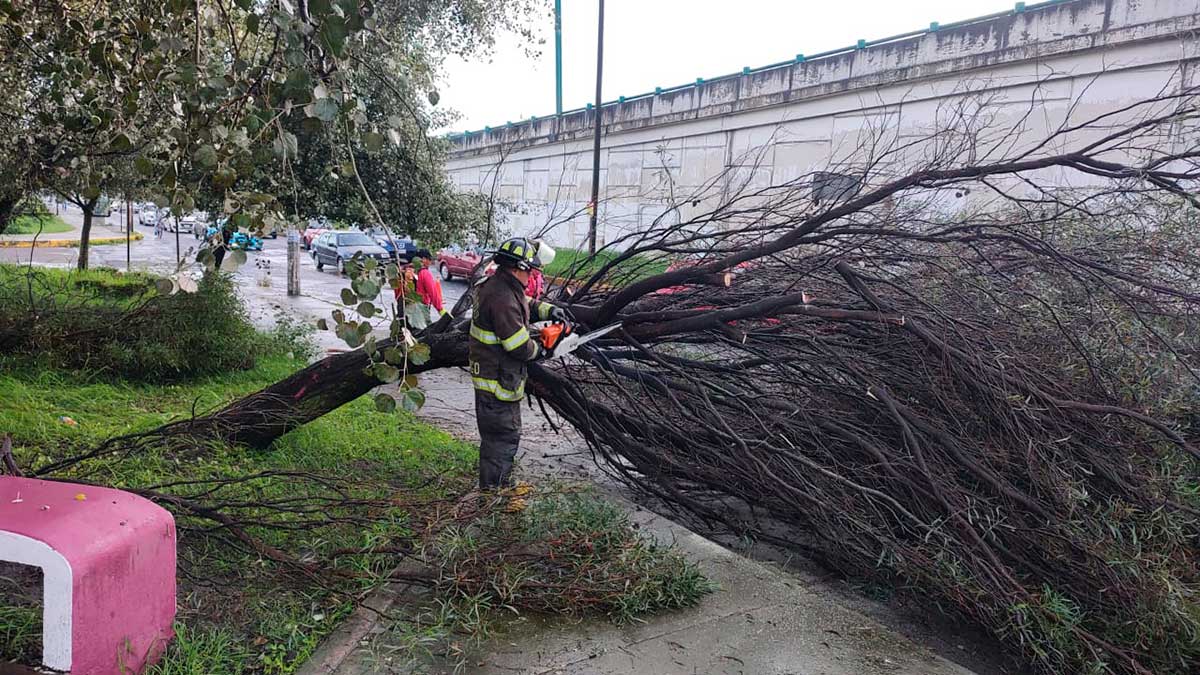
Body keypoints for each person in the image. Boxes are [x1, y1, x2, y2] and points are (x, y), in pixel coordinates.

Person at [469, 237, 566, 496]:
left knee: (497, 441)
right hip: (498, 385)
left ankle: (499, 487)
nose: (531, 275)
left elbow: (526, 304)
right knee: (503, 440)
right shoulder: (502, 298)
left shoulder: (499, 284)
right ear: (517, 268)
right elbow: (518, 347)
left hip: (492, 378)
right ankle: (494, 496)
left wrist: (549, 311)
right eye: (529, 270)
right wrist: (544, 350)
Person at [413, 249, 445, 316]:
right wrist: (440, 309)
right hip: (421, 309)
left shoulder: (407, 271)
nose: (430, 263)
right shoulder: (425, 273)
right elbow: (433, 292)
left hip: (407, 307)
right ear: (424, 259)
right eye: (430, 260)